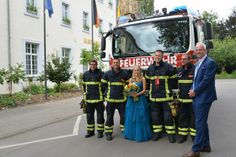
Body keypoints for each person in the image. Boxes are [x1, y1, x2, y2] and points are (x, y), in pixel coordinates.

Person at [183, 42, 217, 157]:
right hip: (197, 96)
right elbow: (195, 80)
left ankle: (196, 150)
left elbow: (207, 81)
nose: (198, 51)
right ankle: (206, 146)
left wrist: (195, 91)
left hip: (205, 97)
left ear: (205, 50)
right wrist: (192, 89)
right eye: (196, 50)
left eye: (200, 49)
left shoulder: (210, 63)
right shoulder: (197, 63)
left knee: (199, 123)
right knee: (202, 122)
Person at [145, 50, 177, 143]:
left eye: (159, 55)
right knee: (155, 117)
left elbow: (173, 81)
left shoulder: (168, 67)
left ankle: (171, 134)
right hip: (154, 97)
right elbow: (147, 81)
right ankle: (157, 134)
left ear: (162, 56)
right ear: (154, 56)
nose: (157, 57)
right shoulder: (150, 68)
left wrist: (167, 90)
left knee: (168, 117)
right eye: (156, 55)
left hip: (166, 97)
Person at [101, 58, 130, 141]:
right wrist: (106, 94)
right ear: (112, 64)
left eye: (117, 62)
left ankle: (125, 132)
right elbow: (103, 86)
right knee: (109, 117)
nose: (116, 64)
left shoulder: (125, 73)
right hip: (111, 100)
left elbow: (128, 86)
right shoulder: (107, 74)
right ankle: (108, 133)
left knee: (123, 117)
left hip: (122, 100)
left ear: (120, 63)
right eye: (114, 62)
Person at [123, 65, 153, 142]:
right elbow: (129, 88)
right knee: (131, 116)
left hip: (140, 100)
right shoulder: (130, 79)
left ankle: (140, 134)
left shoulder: (143, 79)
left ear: (140, 71)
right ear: (133, 71)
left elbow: (144, 90)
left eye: (137, 70)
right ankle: (131, 134)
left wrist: (137, 94)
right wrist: (130, 93)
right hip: (131, 100)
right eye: (135, 70)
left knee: (140, 116)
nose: (136, 72)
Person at [82, 60, 105, 138]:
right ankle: (90, 132)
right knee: (89, 116)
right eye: (91, 64)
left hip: (99, 99)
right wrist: (85, 96)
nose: (92, 66)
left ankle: (100, 132)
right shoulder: (85, 74)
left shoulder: (101, 74)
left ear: (96, 65)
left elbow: (104, 86)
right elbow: (84, 86)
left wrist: (103, 96)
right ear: (89, 65)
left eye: (94, 64)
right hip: (88, 99)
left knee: (100, 117)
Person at [177, 54, 196, 143]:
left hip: (192, 100)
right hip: (182, 99)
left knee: (193, 118)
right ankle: (182, 136)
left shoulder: (194, 69)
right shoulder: (179, 70)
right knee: (182, 118)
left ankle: (194, 136)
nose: (183, 61)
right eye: (182, 59)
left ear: (189, 60)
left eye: (185, 59)